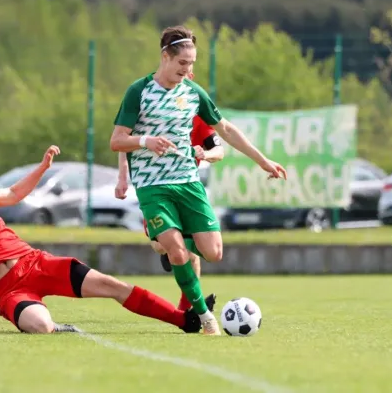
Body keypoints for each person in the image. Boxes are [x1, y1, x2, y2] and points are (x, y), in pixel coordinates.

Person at [0, 146, 213, 334]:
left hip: (36, 263)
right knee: (41, 326)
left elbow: (14, 194)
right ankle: (57, 327)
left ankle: (183, 320)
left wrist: (42, 168)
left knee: (113, 286)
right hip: (6, 292)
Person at [109, 25, 287, 336]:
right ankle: (205, 318)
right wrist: (145, 141)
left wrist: (263, 161)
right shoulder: (139, 91)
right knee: (179, 253)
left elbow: (226, 131)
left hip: (188, 183)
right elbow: (116, 141)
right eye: (182, 63)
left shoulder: (193, 93)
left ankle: (165, 234)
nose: (187, 70)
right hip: (153, 187)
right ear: (165, 57)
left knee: (213, 252)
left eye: (192, 64)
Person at [115, 72, 225, 312]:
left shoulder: (197, 114)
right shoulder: (152, 107)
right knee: (162, 246)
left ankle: (188, 310)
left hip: (186, 188)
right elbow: (124, 141)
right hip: (156, 188)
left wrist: (205, 154)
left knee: (192, 253)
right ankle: (173, 249)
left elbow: (219, 150)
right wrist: (123, 176)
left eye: (188, 72)